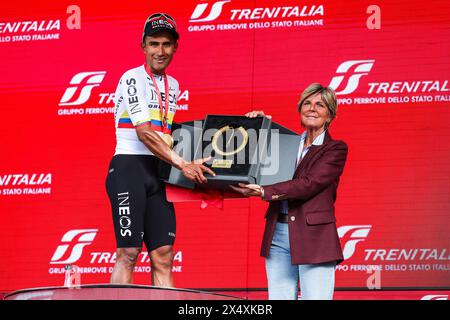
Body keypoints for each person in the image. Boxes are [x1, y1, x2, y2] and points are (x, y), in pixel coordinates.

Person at [105, 13, 214, 287]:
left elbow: (167, 134)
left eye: (166, 44)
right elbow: (144, 132)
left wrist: (241, 127)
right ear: (143, 46)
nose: (160, 51)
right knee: (128, 253)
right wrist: (183, 164)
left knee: (164, 255)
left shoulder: (173, 85)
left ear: (175, 47)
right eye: (154, 44)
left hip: (159, 171)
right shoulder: (132, 78)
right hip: (129, 168)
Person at [231, 83, 348, 300]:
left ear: (330, 115)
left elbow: (308, 183)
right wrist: (257, 126)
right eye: (307, 103)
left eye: (320, 105)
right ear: (300, 109)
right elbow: (251, 156)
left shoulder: (335, 149)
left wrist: (263, 191)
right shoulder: (285, 144)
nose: (312, 108)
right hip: (278, 233)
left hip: (314, 236)